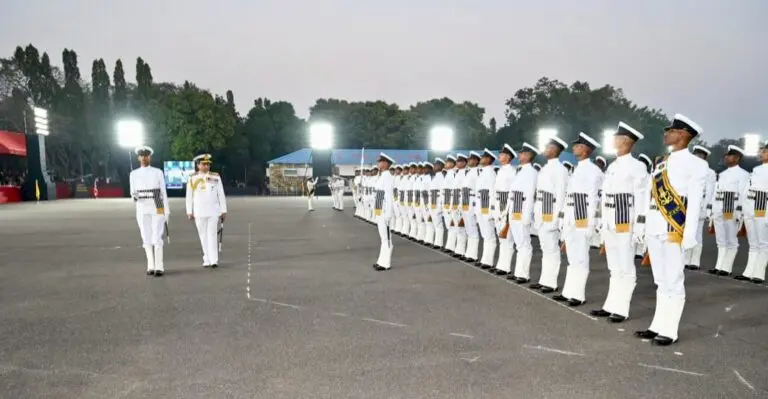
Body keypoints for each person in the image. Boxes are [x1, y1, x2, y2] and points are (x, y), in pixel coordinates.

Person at [635, 114, 709, 346]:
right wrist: (642, 224)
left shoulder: (698, 164)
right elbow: (649, 195)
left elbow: (695, 202)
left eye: (672, 130)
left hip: (674, 227)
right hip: (655, 225)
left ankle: (670, 330)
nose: (667, 133)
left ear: (685, 134)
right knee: (660, 279)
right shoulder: (661, 162)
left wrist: (689, 234)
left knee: (674, 279)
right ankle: (657, 325)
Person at [590, 122, 647, 323]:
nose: (612, 139)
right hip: (610, 223)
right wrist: (602, 222)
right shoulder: (612, 166)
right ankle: (611, 305)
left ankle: (621, 309)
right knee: (614, 267)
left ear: (625, 141)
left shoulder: (638, 167)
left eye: (616, 136)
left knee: (626, 267)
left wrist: (640, 226)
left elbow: (641, 199)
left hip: (625, 222)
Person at [553, 133, 603, 306]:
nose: (573, 148)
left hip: (581, 218)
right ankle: (568, 292)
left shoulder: (593, 170)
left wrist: (589, 223)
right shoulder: (577, 168)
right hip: (571, 218)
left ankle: (578, 295)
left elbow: (593, 199)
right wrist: (563, 218)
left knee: (581, 257)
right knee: (573, 257)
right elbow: (570, 197)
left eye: (577, 145)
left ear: (585, 149)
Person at [530, 137, 569, 293]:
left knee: (552, 249)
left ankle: (551, 282)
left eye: (548, 147)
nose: (545, 149)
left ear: (555, 149)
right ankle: (544, 280)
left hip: (550, 211)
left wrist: (557, 218)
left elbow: (560, 195)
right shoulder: (546, 168)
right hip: (541, 210)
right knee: (545, 248)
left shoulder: (560, 169)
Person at [129, 146, 169, 277]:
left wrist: (166, 210)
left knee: (157, 236)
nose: (144, 158)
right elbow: (132, 192)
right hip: (142, 205)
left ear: (150, 157)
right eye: (142, 156)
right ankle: (150, 265)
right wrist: (134, 197)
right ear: (138, 158)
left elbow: (163, 192)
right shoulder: (133, 174)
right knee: (145, 237)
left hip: (156, 202)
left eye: (146, 155)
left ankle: (160, 266)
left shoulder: (158, 172)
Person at [709, 145, 749, 276]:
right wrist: (713, 209)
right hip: (719, 207)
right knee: (720, 239)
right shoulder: (723, 174)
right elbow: (717, 192)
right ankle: (719, 265)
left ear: (737, 158)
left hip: (730, 207)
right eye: (726, 155)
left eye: (730, 155)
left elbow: (743, 194)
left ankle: (726, 268)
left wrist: (739, 211)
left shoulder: (743, 174)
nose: (727, 157)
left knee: (731, 239)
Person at [186, 154, 227, 268]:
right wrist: (189, 211)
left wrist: (223, 210)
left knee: (212, 234)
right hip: (199, 211)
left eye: (208, 164)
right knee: (203, 235)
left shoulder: (215, 177)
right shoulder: (192, 178)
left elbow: (221, 194)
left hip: (213, 210)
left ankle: (214, 259)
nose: (206, 166)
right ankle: (206, 258)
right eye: (204, 164)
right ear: (198, 165)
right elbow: (189, 196)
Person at [736, 142, 768, 283]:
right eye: (761, 151)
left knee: (763, 243)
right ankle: (749, 272)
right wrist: (744, 209)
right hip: (750, 206)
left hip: (763, 206)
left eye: (764, 151)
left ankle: (759, 274)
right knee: (753, 243)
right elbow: (746, 190)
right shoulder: (756, 169)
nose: (761, 153)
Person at [509, 143, 540, 283]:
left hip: (521, 211)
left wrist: (527, 216)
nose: (519, 155)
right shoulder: (521, 171)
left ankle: (523, 274)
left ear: (528, 156)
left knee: (524, 243)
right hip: (515, 210)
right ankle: (518, 272)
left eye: (522, 153)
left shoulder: (531, 173)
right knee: (519, 243)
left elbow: (528, 195)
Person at [684, 146, 716, 270]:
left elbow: (709, 192)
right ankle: (685, 259)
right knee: (687, 232)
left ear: (704, 158)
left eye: (699, 156)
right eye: (695, 155)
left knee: (697, 234)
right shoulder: (688, 170)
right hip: (687, 205)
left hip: (700, 206)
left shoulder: (710, 172)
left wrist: (706, 208)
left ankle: (695, 261)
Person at [493, 144, 517, 275]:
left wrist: (507, 215)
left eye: (502, 154)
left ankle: (505, 267)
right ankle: (500, 265)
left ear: (508, 157)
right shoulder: (501, 171)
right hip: (498, 205)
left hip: (505, 205)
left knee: (507, 239)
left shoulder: (511, 172)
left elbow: (511, 195)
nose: (499, 156)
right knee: (501, 239)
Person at [475, 148, 498, 268]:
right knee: (485, 235)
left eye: (483, 157)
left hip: (486, 207)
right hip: (481, 207)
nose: (481, 159)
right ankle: (485, 259)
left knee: (489, 235)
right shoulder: (484, 171)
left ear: (489, 159)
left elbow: (491, 193)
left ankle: (488, 261)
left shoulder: (490, 173)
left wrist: (490, 211)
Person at [373, 153, 396, 270]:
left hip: (383, 209)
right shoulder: (382, 176)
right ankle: (381, 260)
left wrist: (388, 213)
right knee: (383, 237)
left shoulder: (387, 177)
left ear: (386, 163)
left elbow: (388, 196)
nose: (379, 163)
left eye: (381, 161)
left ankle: (386, 263)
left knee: (386, 238)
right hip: (379, 208)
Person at [633, 153, 653, 259]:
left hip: (643, 207)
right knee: (632, 227)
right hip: (633, 205)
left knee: (642, 228)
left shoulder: (649, 178)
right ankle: (632, 249)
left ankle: (640, 251)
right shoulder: (633, 175)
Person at [451, 154, 469, 256]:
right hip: (455, 201)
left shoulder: (466, 173)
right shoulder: (457, 173)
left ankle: (462, 251)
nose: (457, 163)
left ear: (464, 163)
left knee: (462, 228)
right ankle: (458, 249)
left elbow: (463, 191)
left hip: (461, 202)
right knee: (458, 228)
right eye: (457, 161)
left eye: (459, 161)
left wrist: (460, 205)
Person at [441, 155, 458, 252]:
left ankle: (453, 247)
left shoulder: (454, 174)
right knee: (449, 226)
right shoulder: (448, 174)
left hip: (452, 203)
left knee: (454, 225)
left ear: (452, 164)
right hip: (446, 202)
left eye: (447, 162)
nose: (445, 163)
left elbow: (453, 191)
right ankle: (450, 246)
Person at [429, 159, 446, 248]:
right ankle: (436, 242)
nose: (434, 167)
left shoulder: (440, 177)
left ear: (440, 166)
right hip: (433, 203)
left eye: (436, 165)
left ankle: (439, 243)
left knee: (438, 224)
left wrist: (440, 206)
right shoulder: (436, 177)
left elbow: (441, 193)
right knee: (436, 224)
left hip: (437, 203)